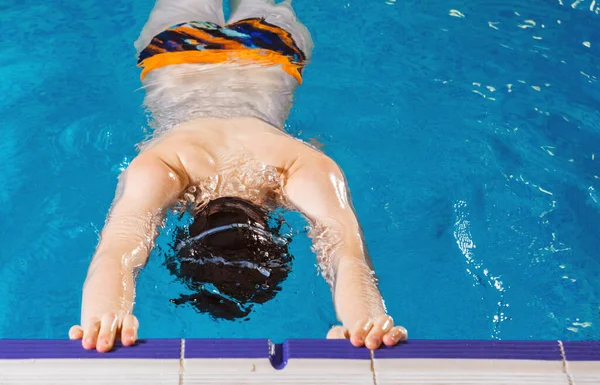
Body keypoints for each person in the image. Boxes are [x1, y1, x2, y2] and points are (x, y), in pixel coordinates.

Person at [69, 0, 408, 353]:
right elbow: (118, 250)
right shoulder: (165, 165)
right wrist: (105, 317)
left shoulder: (297, 164)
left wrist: (364, 323)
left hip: (268, 50)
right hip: (178, 53)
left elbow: (346, 253)